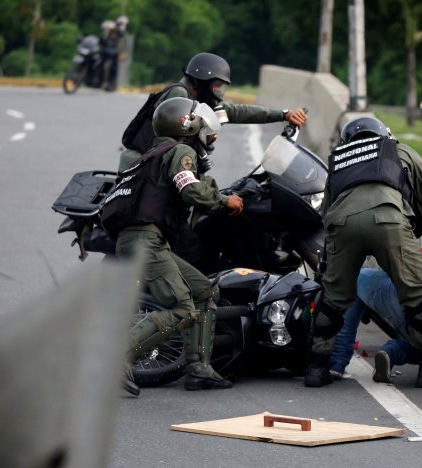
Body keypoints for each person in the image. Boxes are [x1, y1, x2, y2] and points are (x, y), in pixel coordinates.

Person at [304, 116, 422, 389]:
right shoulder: (399, 150)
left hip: (342, 222)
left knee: (333, 299)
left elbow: (326, 212)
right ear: (384, 134)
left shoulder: (339, 159)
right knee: (418, 297)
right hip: (390, 221)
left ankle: (317, 369)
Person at [101, 97, 244, 396]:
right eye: (201, 124)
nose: (207, 132)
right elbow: (191, 190)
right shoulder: (180, 151)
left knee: (204, 291)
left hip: (140, 240)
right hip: (147, 241)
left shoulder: (148, 156)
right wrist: (223, 200)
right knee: (181, 308)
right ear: (187, 124)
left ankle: (198, 368)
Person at [118, 52, 308, 172]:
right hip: (143, 167)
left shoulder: (197, 101)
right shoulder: (179, 96)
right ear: (199, 81)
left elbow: (234, 112)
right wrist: (204, 140)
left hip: (159, 166)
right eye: (216, 87)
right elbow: (174, 142)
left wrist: (283, 114)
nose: (219, 93)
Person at [329, 246, 422, 384]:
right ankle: (392, 351)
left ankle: (337, 362)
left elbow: (398, 268)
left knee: (357, 278)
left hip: (400, 294)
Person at [99, 17, 127, 91]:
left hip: (113, 52)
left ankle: (110, 84)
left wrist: (122, 52)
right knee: (102, 65)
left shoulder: (119, 31)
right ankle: (102, 82)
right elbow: (101, 39)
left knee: (112, 68)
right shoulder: (109, 28)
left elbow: (122, 39)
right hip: (105, 50)